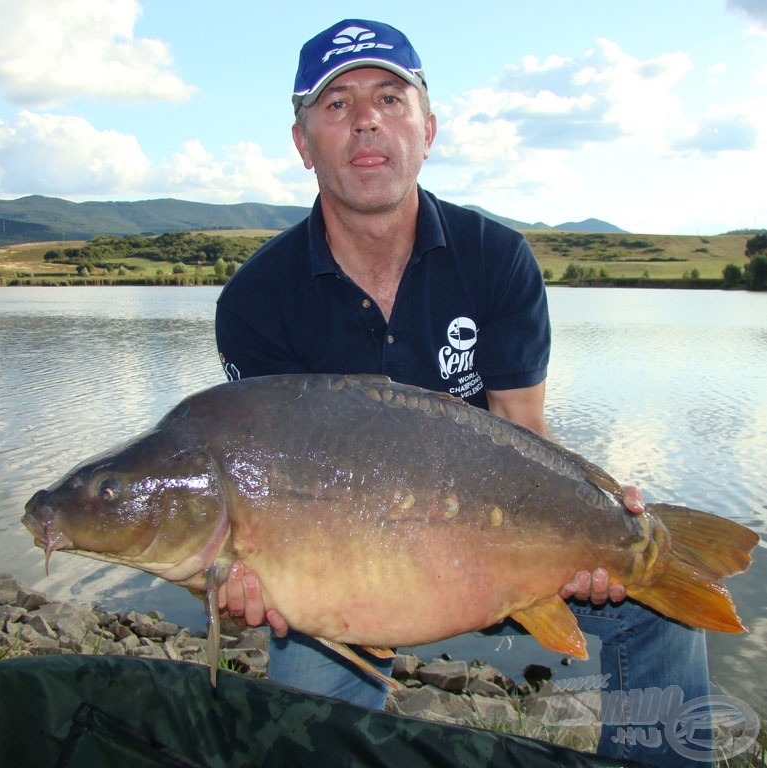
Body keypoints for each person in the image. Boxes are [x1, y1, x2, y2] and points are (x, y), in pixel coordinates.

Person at [215, 19, 711, 767]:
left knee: (662, 614)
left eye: (389, 97)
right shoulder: (257, 300)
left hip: (497, 547)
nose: (366, 121)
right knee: (300, 727)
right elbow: (255, 492)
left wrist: (594, 522)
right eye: (336, 105)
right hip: (349, 580)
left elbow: (521, 430)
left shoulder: (496, 258)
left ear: (427, 127)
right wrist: (232, 578)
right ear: (301, 141)